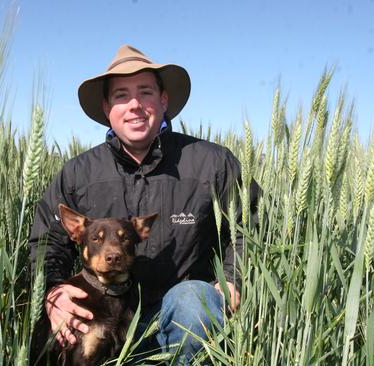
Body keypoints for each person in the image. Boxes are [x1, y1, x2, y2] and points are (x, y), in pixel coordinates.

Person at [29, 44, 260, 364]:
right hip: (104, 311)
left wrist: (232, 278)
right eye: (122, 95)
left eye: (146, 92)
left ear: (163, 100)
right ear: (107, 106)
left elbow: (251, 225)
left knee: (194, 301)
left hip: (177, 314)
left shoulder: (212, 163)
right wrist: (53, 291)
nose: (135, 104)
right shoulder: (78, 173)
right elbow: (47, 242)